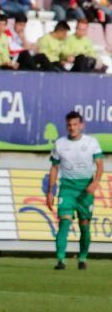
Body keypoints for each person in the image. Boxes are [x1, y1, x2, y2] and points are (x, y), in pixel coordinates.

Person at [46, 112, 104, 270]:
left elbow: (99, 164)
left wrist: (96, 182)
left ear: (81, 125)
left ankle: (83, 258)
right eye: (69, 125)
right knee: (64, 222)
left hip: (86, 188)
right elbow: (54, 168)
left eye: (75, 124)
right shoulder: (60, 144)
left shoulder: (91, 142)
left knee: (84, 225)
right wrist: (50, 191)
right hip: (67, 188)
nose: (72, 128)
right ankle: (60, 260)